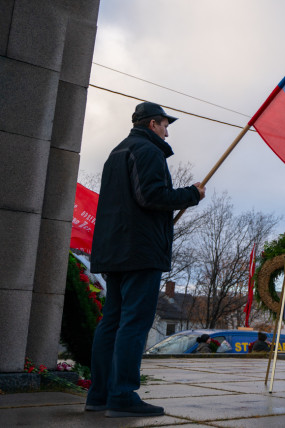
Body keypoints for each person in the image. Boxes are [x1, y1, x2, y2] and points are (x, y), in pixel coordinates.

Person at [86, 102, 205, 418]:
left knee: (112, 320)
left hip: (114, 249)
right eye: (166, 125)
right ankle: (123, 395)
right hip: (139, 251)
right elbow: (151, 196)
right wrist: (190, 194)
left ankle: (99, 395)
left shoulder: (116, 152)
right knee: (134, 322)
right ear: (153, 124)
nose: (167, 131)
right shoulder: (148, 151)